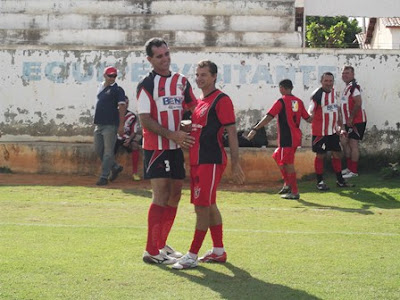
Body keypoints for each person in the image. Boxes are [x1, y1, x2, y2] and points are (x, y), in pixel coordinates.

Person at [172, 60, 245, 270]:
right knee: (209, 204)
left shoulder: (221, 100)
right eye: (197, 74)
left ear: (214, 76)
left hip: (211, 160)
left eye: (204, 74)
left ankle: (192, 255)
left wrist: (236, 163)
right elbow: (200, 127)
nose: (199, 78)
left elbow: (231, 132)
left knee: (201, 206)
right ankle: (219, 251)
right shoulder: (201, 101)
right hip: (197, 160)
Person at [137, 37, 197, 265]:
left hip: (175, 148)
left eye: (167, 54)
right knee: (160, 195)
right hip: (156, 148)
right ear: (150, 59)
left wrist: (188, 124)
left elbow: (193, 109)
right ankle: (151, 250)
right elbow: (145, 120)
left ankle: (161, 244)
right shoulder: (146, 84)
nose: (165, 59)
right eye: (159, 56)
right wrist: (172, 134)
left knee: (175, 195)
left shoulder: (181, 81)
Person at [247, 79, 311, 200]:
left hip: (287, 138)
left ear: (281, 88)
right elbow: (308, 118)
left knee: (288, 164)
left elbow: (269, 116)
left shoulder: (281, 101)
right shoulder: (298, 102)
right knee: (277, 156)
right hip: (295, 137)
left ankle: (295, 191)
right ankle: (287, 184)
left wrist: (255, 128)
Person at [308, 72, 353, 191]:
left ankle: (340, 181)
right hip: (320, 132)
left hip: (332, 132)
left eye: (330, 81)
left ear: (333, 82)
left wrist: (340, 127)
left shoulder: (333, 92)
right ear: (321, 81)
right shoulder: (317, 95)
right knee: (320, 156)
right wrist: (309, 116)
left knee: (337, 154)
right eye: (326, 81)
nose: (328, 83)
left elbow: (335, 110)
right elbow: (311, 111)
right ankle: (320, 182)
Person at [93, 66, 126, 186]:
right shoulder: (101, 87)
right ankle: (115, 166)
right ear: (105, 75)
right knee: (98, 149)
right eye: (110, 75)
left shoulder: (118, 90)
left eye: (114, 76)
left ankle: (104, 176)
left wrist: (121, 125)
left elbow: (122, 107)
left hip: (110, 125)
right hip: (99, 124)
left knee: (108, 151)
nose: (112, 78)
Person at [340, 66, 367, 179]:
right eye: (343, 73)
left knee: (353, 145)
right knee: (345, 143)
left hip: (356, 121)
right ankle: (349, 168)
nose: (345, 75)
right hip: (348, 121)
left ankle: (354, 171)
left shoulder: (354, 87)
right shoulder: (347, 87)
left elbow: (358, 103)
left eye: (347, 73)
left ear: (353, 74)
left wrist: (351, 118)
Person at [114, 95, 142, 181]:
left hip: (126, 138)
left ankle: (135, 172)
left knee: (135, 146)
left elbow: (134, 131)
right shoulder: (113, 114)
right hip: (114, 137)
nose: (126, 105)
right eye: (124, 103)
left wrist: (129, 140)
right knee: (108, 149)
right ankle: (110, 171)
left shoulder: (132, 116)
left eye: (127, 103)